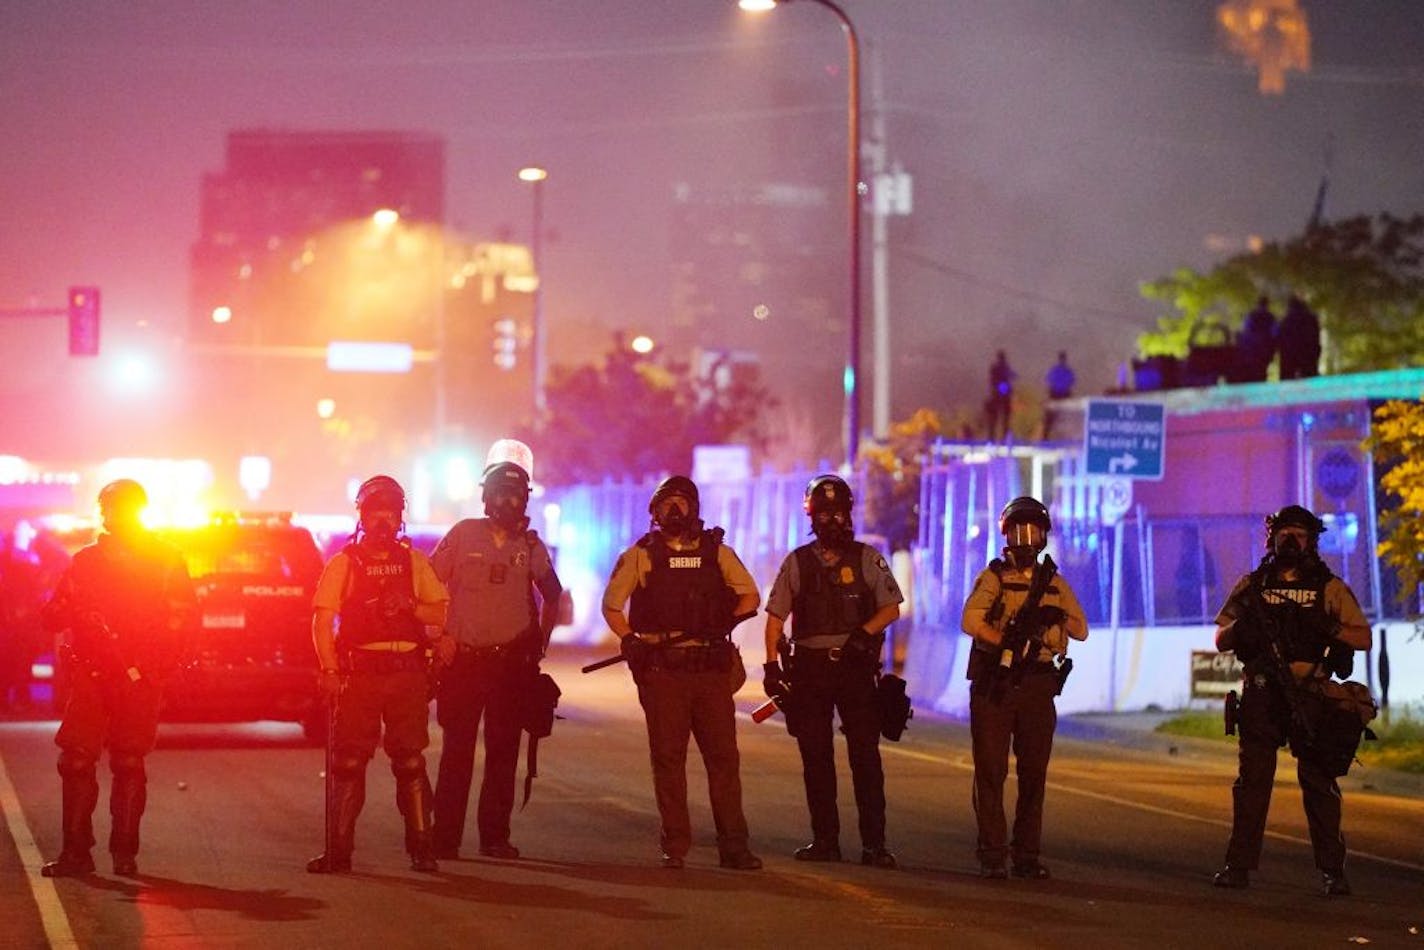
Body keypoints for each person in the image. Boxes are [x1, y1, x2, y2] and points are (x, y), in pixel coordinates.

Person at [601, 475, 762, 871]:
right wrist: (630, 639)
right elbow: (612, 606)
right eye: (666, 504)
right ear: (654, 512)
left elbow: (751, 596)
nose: (674, 511)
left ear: (695, 508)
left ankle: (734, 847)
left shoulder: (717, 552)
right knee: (669, 759)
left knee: (723, 759)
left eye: (682, 503)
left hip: (709, 669)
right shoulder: (641, 555)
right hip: (663, 672)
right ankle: (675, 845)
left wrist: (723, 618)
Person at [38, 479, 197, 876]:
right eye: (112, 508)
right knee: (82, 761)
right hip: (98, 673)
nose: (115, 516)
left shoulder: (162, 559)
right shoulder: (90, 562)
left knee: (123, 761)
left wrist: (160, 664)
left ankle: (119, 854)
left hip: (136, 675)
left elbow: (184, 618)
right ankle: (85, 854)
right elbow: (54, 615)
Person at [1210, 505, 1371, 896]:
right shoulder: (1253, 584)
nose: (1291, 541)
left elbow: (1362, 637)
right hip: (1263, 692)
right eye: (1284, 534)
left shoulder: (1329, 587)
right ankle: (1238, 866)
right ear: (1272, 539)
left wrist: (1328, 626)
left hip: (1311, 694)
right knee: (1252, 785)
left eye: (1299, 535)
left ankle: (1333, 872)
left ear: (1312, 541)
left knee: (1319, 784)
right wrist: (1241, 629)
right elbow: (1220, 637)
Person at [307, 475, 451, 874]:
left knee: (409, 761)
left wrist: (408, 606)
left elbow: (439, 613)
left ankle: (422, 848)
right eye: (376, 512)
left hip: (406, 673)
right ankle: (338, 852)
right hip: (360, 675)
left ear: (400, 516)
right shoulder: (344, 563)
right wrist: (329, 669)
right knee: (349, 762)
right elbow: (322, 621)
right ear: (363, 516)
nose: (383, 520)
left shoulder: (414, 562)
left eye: (391, 512)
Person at [762, 474, 903, 868]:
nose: (832, 522)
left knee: (865, 758)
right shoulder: (797, 561)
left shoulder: (867, 558)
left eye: (838, 513)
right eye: (824, 515)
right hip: (809, 671)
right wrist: (771, 668)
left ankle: (874, 845)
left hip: (855, 669)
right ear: (811, 517)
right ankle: (825, 841)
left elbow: (891, 608)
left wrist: (863, 634)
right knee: (816, 757)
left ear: (849, 514)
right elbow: (775, 620)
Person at [429, 461, 562, 861]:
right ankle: (444, 838)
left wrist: (540, 642)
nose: (508, 502)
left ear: (526, 500)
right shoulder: (462, 534)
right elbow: (430, 582)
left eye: (516, 495)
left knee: (504, 753)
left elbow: (553, 594)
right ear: (486, 497)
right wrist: (438, 636)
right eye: (500, 493)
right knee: (457, 752)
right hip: (464, 664)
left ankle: (494, 838)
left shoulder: (532, 547)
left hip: (510, 668)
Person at [960, 496, 1087, 880]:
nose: (1026, 539)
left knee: (1034, 773)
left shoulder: (1055, 583)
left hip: (1037, 684)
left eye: (1033, 532)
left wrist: (1054, 615)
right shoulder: (994, 577)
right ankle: (993, 854)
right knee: (991, 771)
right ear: (1007, 535)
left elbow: (1081, 630)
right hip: (996, 685)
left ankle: (1027, 855)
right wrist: (1001, 642)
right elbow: (970, 620)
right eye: (1019, 531)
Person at [1276, 295, 1322, 380]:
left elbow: (1279, 336)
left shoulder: (1286, 320)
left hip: (1290, 353)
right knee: (1310, 375)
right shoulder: (1311, 318)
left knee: (1288, 377)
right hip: (1308, 352)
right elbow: (1316, 335)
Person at [1235, 296, 1277, 383]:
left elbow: (1246, 330)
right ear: (1267, 304)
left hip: (1253, 348)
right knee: (1262, 369)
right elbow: (1274, 333)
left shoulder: (1252, 315)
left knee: (1253, 369)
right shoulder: (1270, 317)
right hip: (1265, 347)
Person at [1040, 351, 1076, 441]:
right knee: (1062, 416)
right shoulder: (1066, 371)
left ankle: (1046, 436)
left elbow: (1048, 380)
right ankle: (1049, 436)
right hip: (1062, 394)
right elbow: (1072, 381)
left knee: (1052, 416)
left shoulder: (1056, 370)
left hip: (1057, 393)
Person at [985, 350, 1016, 442]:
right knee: (1005, 418)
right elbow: (1013, 376)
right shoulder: (1005, 368)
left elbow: (991, 380)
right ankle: (1004, 436)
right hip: (1003, 393)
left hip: (996, 393)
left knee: (994, 417)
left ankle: (992, 436)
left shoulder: (995, 368)